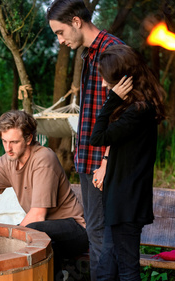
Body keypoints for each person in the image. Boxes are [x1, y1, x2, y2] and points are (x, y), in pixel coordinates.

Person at [0, 110, 89, 280]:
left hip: (75, 229)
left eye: (14, 142)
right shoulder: (8, 160)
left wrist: (9, 241)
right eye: (4, 141)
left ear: (28, 139)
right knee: (35, 240)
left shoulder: (43, 159)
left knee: (31, 233)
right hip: (45, 232)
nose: (8, 148)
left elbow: (37, 215)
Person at [47, 0, 124, 278]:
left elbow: (123, 111)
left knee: (104, 235)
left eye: (60, 32)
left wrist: (106, 161)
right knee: (96, 232)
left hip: (103, 163)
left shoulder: (112, 51)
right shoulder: (89, 54)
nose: (60, 40)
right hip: (88, 159)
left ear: (76, 22)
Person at [90, 45, 166, 281]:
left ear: (123, 82)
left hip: (126, 203)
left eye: (107, 81)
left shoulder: (137, 112)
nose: (104, 85)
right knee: (109, 265)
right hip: (124, 201)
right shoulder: (140, 110)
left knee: (127, 270)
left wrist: (111, 101)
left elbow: (97, 137)